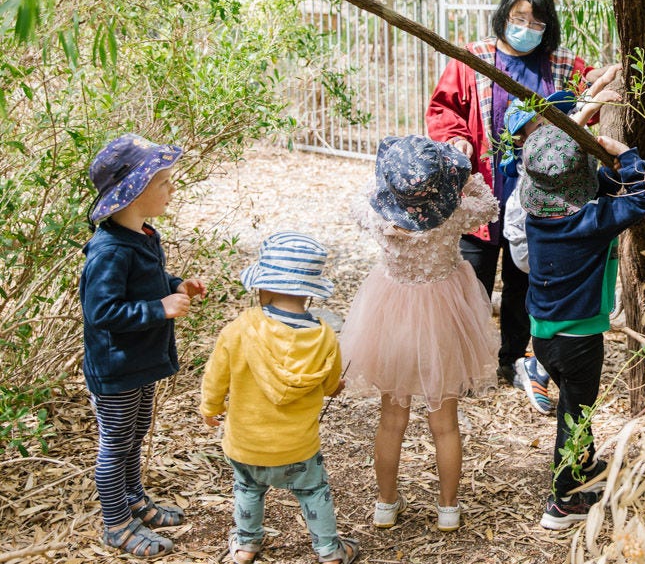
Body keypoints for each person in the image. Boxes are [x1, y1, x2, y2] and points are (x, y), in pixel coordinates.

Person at [425, 0, 600, 388]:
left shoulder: (562, 66)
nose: (526, 29)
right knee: (472, 281)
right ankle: (464, 365)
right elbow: (444, 109)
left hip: (540, 197)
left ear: (548, 26)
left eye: (536, 23)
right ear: (504, 15)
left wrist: (606, 81)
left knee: (525, 282)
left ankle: (515, 362)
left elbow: (595, 91)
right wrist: (456, 141)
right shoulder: (473, 59)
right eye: (519, 18)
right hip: (481, 194)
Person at [339, 136, 499, 533]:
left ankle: (385, 504)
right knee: (445, 421)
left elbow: (365, 194)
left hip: (389, 315)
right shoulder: (456, 212)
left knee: (392, 418)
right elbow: (490, 205)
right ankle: (448, 509)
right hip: (444, 314)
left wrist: (400, 179)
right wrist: (461, 167)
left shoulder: (377, 215)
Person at [519, 125, 645, 529]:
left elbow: (592, 191)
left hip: (543, 335)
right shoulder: (590, 221)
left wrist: (608, 173)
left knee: (573, 407)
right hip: (579, 340)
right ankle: (564, 501)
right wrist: (627, 155)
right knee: (575, 415)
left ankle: (581, 469)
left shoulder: (537, 218)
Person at [80, 133, 206, 559]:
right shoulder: (109, 250)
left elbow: (147, 286)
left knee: (135, 433)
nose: (172, 189)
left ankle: (132, 498)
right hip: (116, 368)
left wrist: (176, 287)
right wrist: (160, 308)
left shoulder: (144, 235)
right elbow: (103, 312)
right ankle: (116, 523)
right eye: (165, 182)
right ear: (135, 193)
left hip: (141, 360)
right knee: (115, 441)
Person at [199, 232, 357, 564]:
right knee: (313, 491)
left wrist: (210, 407)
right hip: (298, 446)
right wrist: (334, 387)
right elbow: (329, 385)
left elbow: (216, 375)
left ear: (263, 287)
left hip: (247, 443)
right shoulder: (324, 336)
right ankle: (329, 551)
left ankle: (245, 546)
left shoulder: (241, 329)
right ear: (309, 294)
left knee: (247, 489)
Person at [500, 71, 623, 415]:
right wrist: (596, 101)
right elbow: (568, 131)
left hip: (546, 237)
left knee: (558, 304)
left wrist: (601, 85)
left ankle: (538, 361)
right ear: (523, 139)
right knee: (563, 298)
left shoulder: (545, 143)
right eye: (541, 125)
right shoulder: (540, 157)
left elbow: (569, 122)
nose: (550, 130)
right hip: (534, 242)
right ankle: (537, 362)